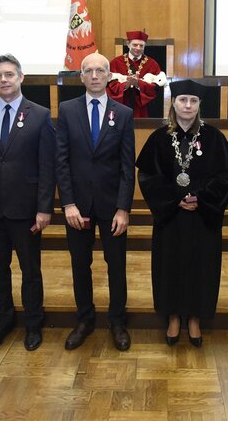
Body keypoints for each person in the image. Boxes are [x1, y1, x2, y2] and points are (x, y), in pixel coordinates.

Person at [0, 54, 56, 352]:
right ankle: (2, 322)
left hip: (27, 209)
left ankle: (33, 323)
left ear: (21, 77)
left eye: (9, 74)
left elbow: (47, 166)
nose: (3, 80)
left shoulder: (40, 115)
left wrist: (44, 208)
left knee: (30, 271)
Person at [136, 79, 228, 347]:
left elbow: (226, 176)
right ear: (174, 103)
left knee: (201, 266)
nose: (188, 105)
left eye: (193, 101)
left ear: (199, 104)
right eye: (183, 100)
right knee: (170, 265)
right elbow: (148, 176)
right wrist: (176, 199)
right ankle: (173, 317)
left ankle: (194, 318)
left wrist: (200, 198)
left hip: (203, 216)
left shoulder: (214, 137)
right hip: (171, 216)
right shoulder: (159, 138)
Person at [56, 52, 135, 351]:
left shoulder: (124, 114)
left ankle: (117, 321)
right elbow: (61, 160)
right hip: (78, 207)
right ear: (81, 76)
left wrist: (123, 208)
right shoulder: (66, 110)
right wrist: (68, 203)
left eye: (100, 70)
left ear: (109, 75)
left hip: (112, 206)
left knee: (116, 266)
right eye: (88, 71)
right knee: (80, 265)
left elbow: (128, 166)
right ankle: (85, 320)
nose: (94, 75)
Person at [107, 30, 166, 118]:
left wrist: (138, 84)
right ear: (128, 44)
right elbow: (110, 86)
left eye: (141, 46)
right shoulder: (116, 62)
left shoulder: (152, 64)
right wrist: (126, 85)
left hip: (142, 108)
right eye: (135, 45)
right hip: (120, 106)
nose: (138, 48)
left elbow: (155, 89)